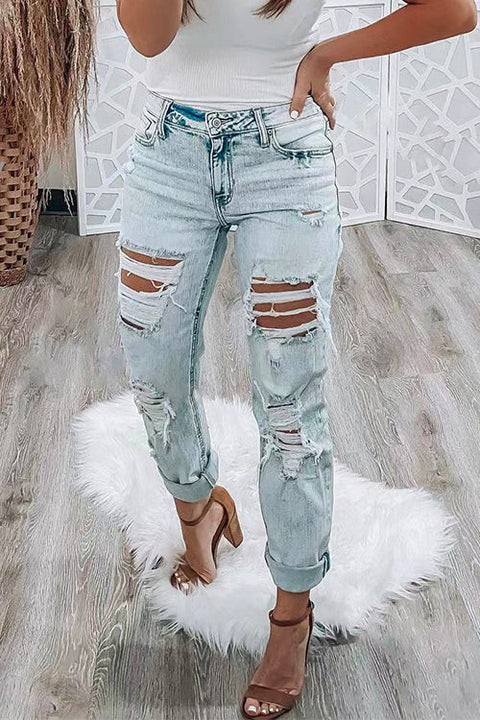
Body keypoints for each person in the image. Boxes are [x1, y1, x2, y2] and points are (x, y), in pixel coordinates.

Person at [115, 1, 476, 717]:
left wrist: (327, 53)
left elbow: (454, 10)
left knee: (288, 399)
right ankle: (198, 510)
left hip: (284, 154)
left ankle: (291, 613)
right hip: (170, 151)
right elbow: (149, 39)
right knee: (152, 366)